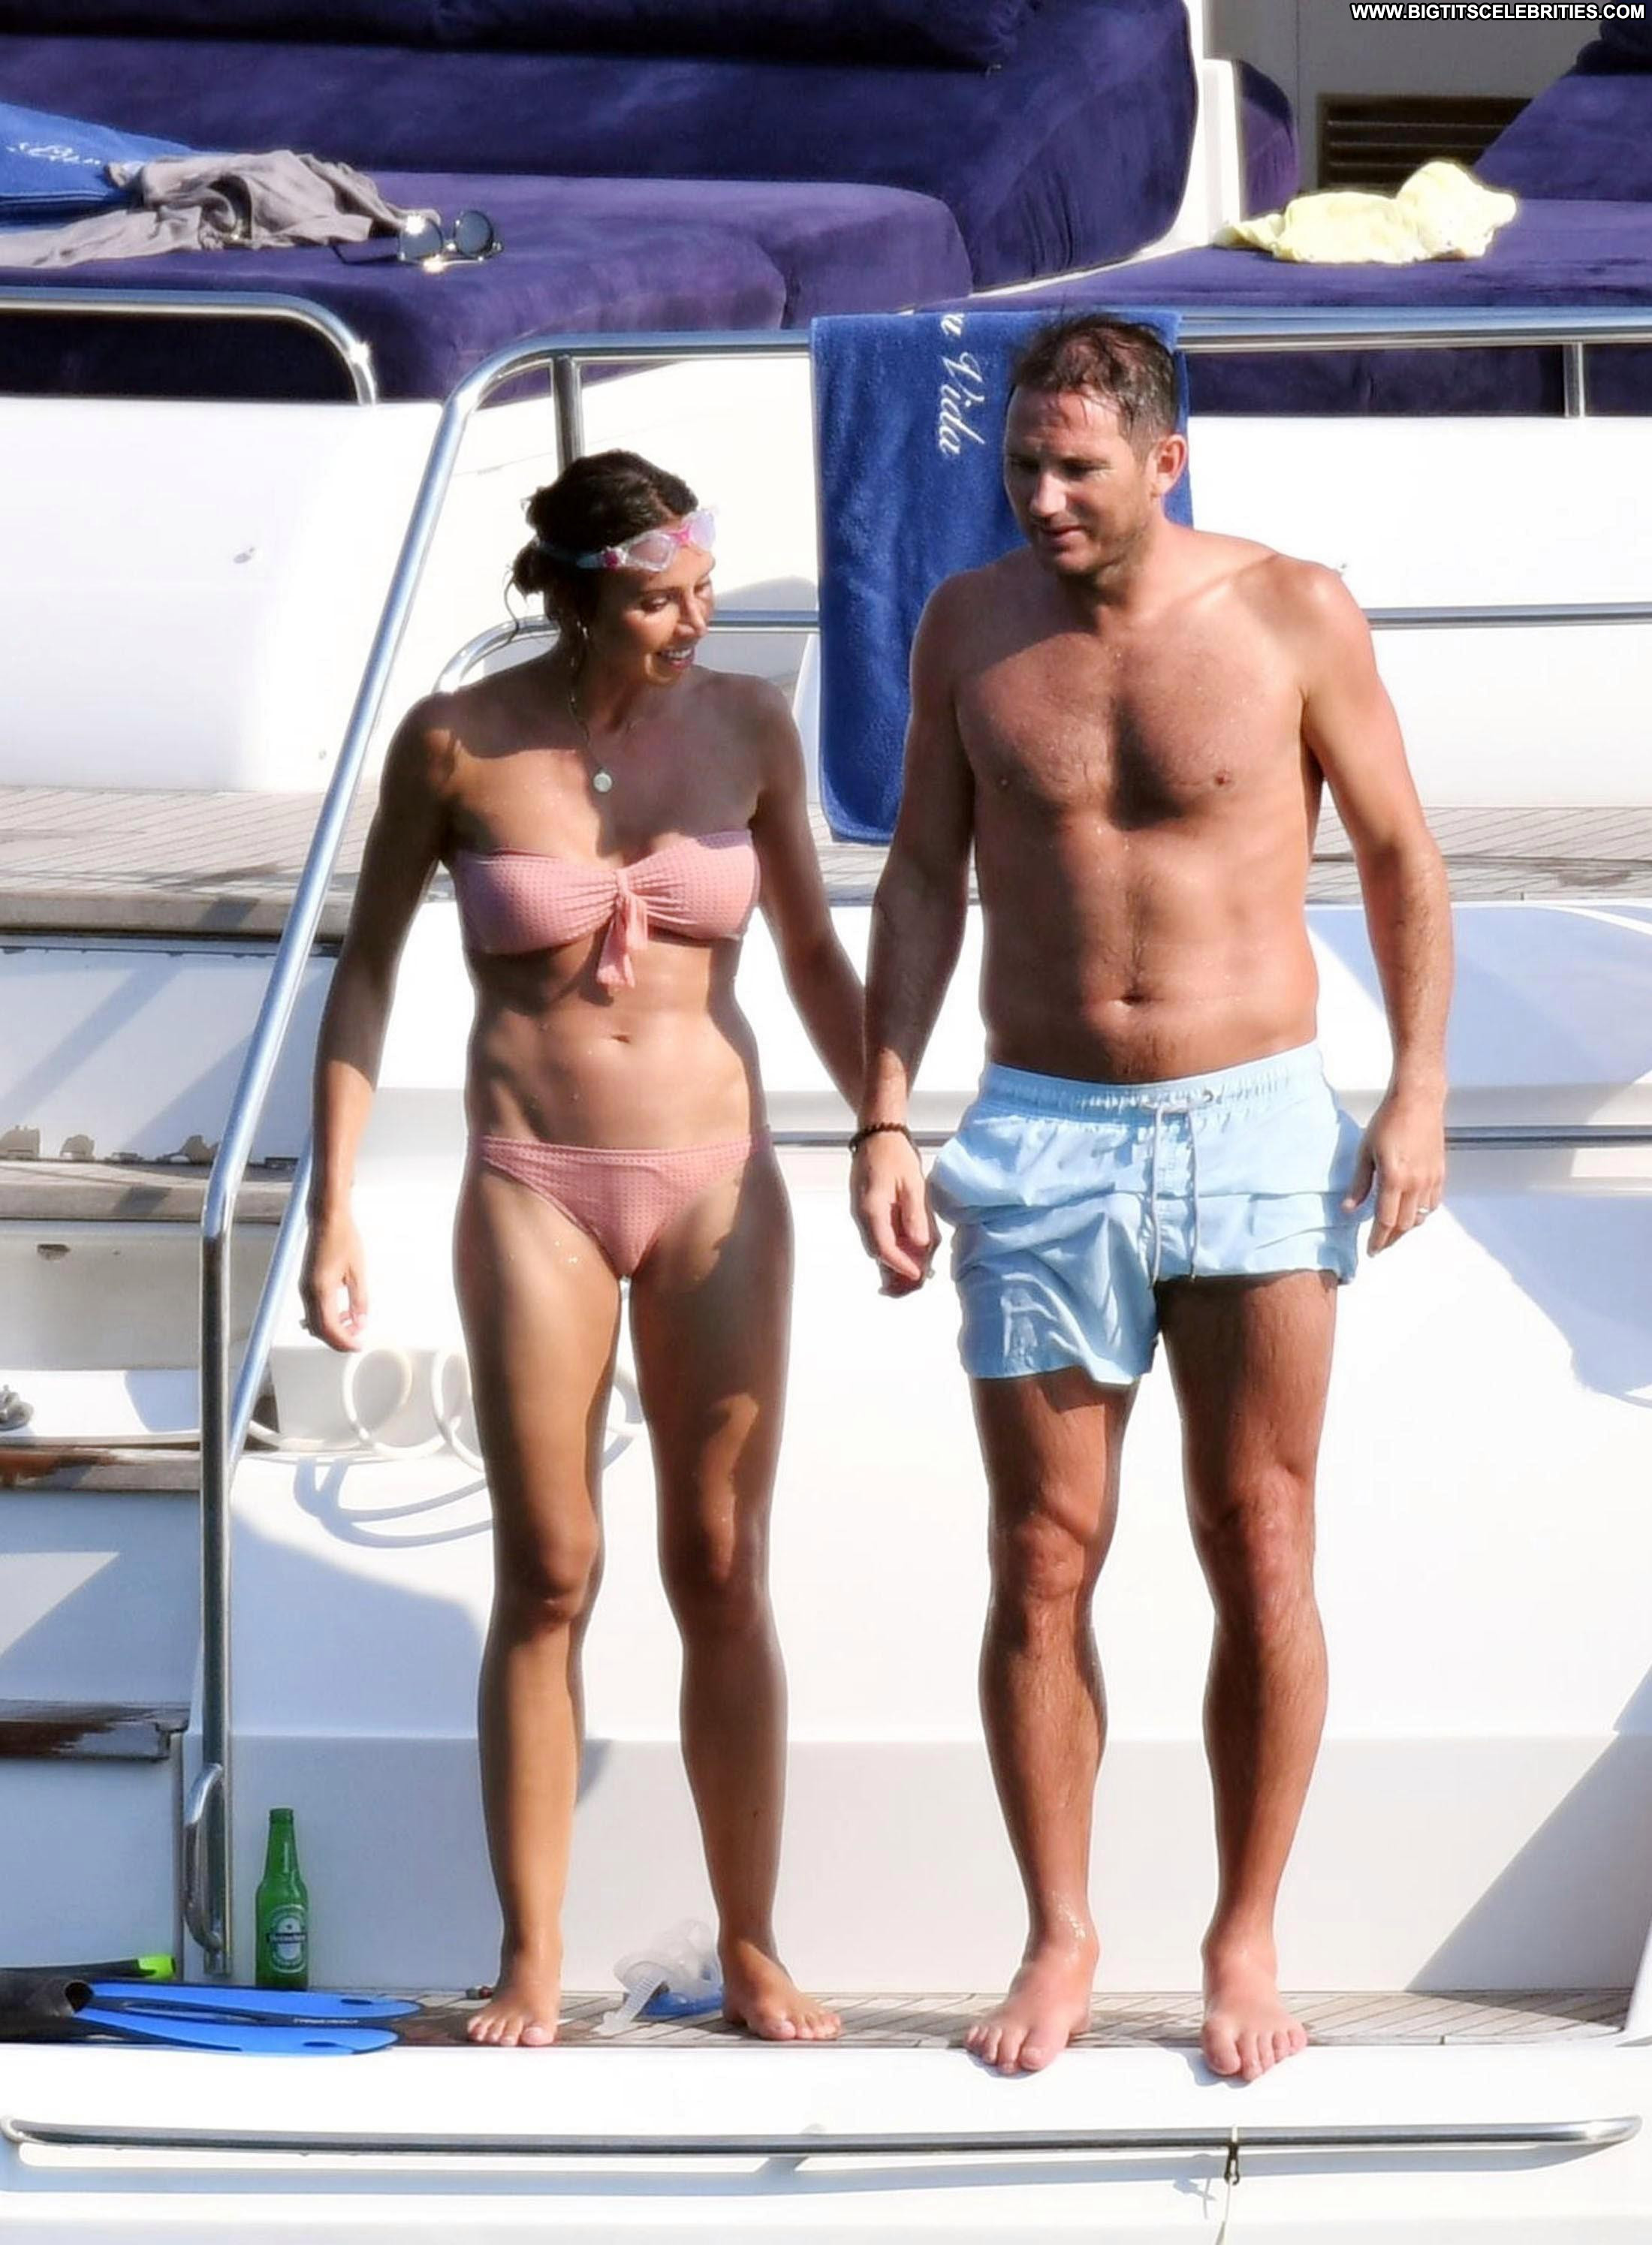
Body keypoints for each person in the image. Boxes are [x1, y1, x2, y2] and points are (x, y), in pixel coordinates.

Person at [852, 314, 1451, 2084]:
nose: (1040, 496)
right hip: (1041, 1126)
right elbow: (921, 876)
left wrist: (1415, 1087)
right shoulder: (967, 625)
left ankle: (1241, 1935)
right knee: (1041, 1553)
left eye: (1076, 468)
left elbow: (1402, 856)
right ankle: (1058, 1931)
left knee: (1256, 1537)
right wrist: (882, 1112)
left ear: (1162, 461)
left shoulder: (1290, 611)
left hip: (1255, 1116)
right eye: (1020, 465)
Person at [303, 450, 864, 2048]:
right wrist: (334, 1203)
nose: (697, 619)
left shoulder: (749, 728)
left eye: (704, 590)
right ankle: (530, 1959)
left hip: (714, 1170)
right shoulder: (455, 741)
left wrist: (885, 1123)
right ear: (579, 595)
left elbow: (811, 952)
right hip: (533, 1177)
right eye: (666, 598)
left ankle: (749, 1943)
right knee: (550, 1567)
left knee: (720, 1562)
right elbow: (366, 971)